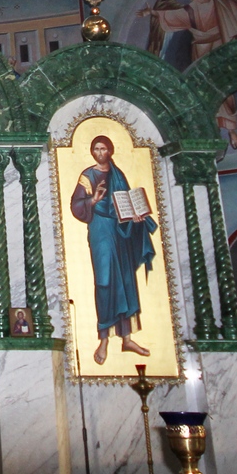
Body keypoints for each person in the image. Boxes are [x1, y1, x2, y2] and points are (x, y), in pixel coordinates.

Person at [69, 134, 156, 365]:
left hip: (120, 231)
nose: (100, 152)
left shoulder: (118, 175)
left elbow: (125, 202)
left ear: (110, 151)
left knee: (126, 281)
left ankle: (126, 338)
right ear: (91, 151)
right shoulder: (87, 176)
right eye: (96, 148)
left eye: (104, 148)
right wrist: (93, 201)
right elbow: (76, 205)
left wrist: (135, 217)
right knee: (105, 282)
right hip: (100, 230)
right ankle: (104, 338)